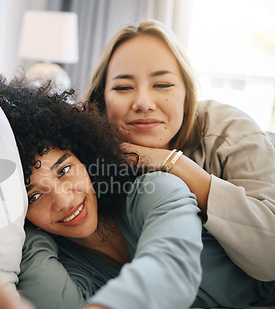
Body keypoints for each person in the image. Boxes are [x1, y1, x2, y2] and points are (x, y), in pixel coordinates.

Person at [0, 70, 275, 309]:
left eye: (64, 170)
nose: (63, 200)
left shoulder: (153, 191)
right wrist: (25, 235)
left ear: (87, 158)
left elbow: (172, 265)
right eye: (33, 195)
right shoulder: (67, 258)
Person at [86, 19, 275, 282]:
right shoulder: (83, 163)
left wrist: (172, 163)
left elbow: (270, 257)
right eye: (123, 87)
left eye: (162, 85)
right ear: (101, 102)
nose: (143, 103)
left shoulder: (230, 131)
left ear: (187, 96)